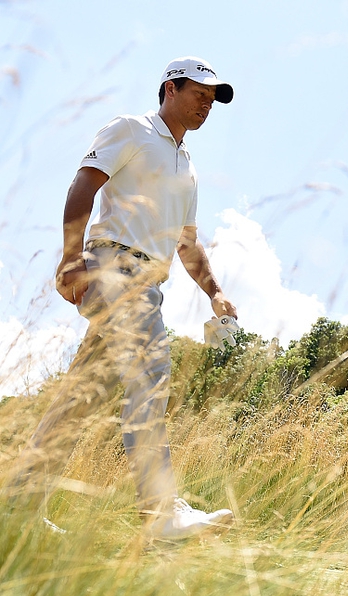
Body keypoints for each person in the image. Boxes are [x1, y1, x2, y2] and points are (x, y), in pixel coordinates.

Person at [9, 57, 238, 540]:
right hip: (115, 268)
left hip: (148, 284)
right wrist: (71, 257)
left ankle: (17, 508)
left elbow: (187, 242)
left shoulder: (187, 167)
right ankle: (159, 513)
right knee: (151, 374)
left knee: (80, 398)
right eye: (199, 94)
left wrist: (216, 292)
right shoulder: (132, 129)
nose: (207, 105)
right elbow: (83, 185)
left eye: (212, 99)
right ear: (170, 89)